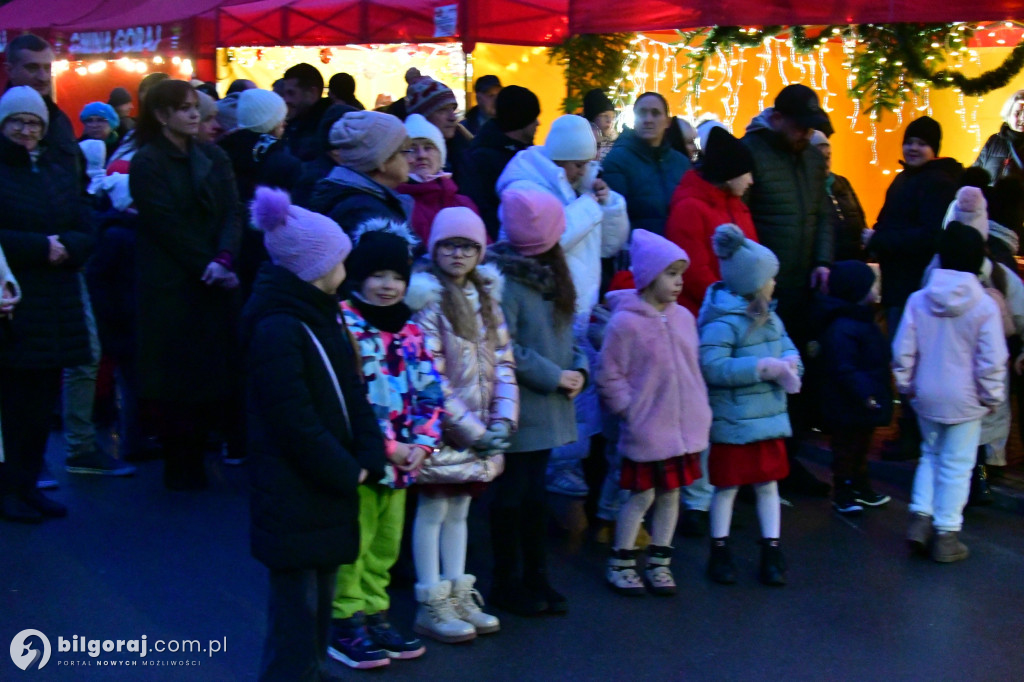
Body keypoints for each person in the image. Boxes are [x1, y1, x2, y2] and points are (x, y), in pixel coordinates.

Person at [242, 186, 386, 682]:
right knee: (296, 613)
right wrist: (348, 469)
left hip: (321, 488)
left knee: (317, 603)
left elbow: (352, 389)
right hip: (296, 492)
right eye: (339, 257)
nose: (347, 265)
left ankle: (313, 671)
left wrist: (369, 451)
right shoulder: (280, 327)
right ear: (315, 267)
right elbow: (294, 422)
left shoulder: (320, 314)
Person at [496, 113, 629, 497]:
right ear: (562, 161)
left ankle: (566, 470)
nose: (585, 170)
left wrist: (611, 205)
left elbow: (608, 245)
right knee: (552, 392)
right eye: (579, 164)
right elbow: (551, 237)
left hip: (578, 304)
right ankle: (553, 475)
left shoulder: (578, 189)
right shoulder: (524, 185)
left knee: (579, 394)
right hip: (542, 307)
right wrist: (589, 204)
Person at [330, 220, 444, 669]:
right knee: (354, 540)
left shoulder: (412, 330)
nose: (388, 286)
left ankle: (375, 610)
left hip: (403, 463)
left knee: (385, 543)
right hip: (367, 459)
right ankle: (345, 617)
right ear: (359, 276)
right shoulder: (346, 326)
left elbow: (431, 389)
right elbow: (344, 398)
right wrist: (387, 447)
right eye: (378, 275)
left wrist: (423, 442)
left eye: (397, 277)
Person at [405, 207, 515, 642]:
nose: (458, 254)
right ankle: (431, 599)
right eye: (450, 245)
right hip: (444, 433)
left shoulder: (487, 300)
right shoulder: (427, 301)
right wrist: (473, 430)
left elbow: (504, 364)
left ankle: (458, 590)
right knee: (433, 510)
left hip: (482, 433)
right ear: (435, 248)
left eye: (468, 246)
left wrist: (503, 420)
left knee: (461, 511)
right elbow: (430, 376)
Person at [129, 80, 243, 490]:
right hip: (171, 285)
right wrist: (207, 262)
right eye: (185, 108)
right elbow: (165, 225)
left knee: (212, 373)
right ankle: (180, 464)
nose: (195, 115)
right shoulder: (147, 162)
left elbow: (233, 211)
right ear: (162, 116)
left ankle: (202, 453)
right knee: (176, 379)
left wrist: (225, 256)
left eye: (196, 107)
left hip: (215, 278)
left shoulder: (214, 156)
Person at [486, 188, 587, 615]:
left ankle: (536, 576)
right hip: (519, 405)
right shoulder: (504, 280)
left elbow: (567, 332)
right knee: (512, 496)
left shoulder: (551, 271)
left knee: (534, 496)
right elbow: (502, 344)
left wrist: (580, 367)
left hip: (549, 398)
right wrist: (555, 376)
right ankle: (507, 582)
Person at [598, 230, 711, 596]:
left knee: (671, 494)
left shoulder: (684, 319)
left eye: (680, 274)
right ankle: (622, 559)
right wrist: (629, 411)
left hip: (684, 425)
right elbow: (610, 374)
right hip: (648, 427)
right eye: (671, 274)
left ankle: (661, 561)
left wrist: (699, 406)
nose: (679, 282)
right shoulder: (625, 323)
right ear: (648, 276)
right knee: (640, 495)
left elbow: (693, 367)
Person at [0, 86, 95, 522]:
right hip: (14, 301)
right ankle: (9, 491)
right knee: (13, 406)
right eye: (16, 121)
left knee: (40, 405)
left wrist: (68, 247)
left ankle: (28, 486)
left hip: (56, 301)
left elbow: (83, 223)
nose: (25, 130)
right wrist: (43, 247)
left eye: (33, 122)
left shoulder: (58, 168)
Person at [895, 222, 1007, 563]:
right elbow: (991, 360)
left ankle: (919, 519)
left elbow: (903, 351)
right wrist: (992, 397)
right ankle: (946, 534)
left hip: (926, 395)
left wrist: (906, 386)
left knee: (930, 456)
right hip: (967, 400)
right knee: (958, 465)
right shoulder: (985, 306)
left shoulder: (918, 300)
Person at [742, 83, 833, 496]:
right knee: (760, 379)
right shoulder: (753, 152)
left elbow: (823, 215)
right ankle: (754, 467)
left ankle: (787, 460)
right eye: (799, 128)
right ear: (777, 120)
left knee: (796, 377)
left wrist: (823, 262)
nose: (804, 136)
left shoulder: (812, 159)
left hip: (801, 287)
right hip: (762, 292)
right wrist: (751, 281)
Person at [699, 224, 802, 586]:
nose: (775, 283)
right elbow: (712, 366)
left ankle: (771, 548)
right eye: (770, 278)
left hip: (768, 421)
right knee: (726, 487)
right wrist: (760, 369)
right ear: (754, 283)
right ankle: (720, 548)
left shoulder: (772, 318)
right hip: (735, 421)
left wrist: (790, 365)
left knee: (768, 485)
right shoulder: (723, 323)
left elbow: (788, 348)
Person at [867, 116, 962, 461]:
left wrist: (880, 239)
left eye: (922, 143)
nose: (913, 148)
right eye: (910, 141)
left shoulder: (936, 183)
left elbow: (928, 237)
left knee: (911, 359)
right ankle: (910, 431)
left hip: (915, 285)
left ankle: (913, 433)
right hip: (900, 284)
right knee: (906, 359)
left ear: (934, 148)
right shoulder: (905, 179)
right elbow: (888, 220)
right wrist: (876, 236)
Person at [816, 261, 893, 514]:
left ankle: (860, 486)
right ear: (858, 291)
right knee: (846, 448)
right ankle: (844, 490)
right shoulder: (845, 327)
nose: (877, 289)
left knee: (860, 445)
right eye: (873, 285)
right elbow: (844, 368)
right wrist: (866, 394)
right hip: (849, 401)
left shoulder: (862, 321)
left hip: (861, 400)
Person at [219, 88, 302, 299]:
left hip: (228, 249)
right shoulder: (282, 161)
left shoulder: (221, 152)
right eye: (280, 118)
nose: (284, 123)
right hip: (269, 254)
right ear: (270, 122)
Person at [666, 126, 757, 317]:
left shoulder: (738, 206)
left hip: (739, 310)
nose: (751, 181)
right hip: (706, 314)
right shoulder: (689, 208)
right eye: (747, 173)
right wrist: (730, 303)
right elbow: (694, 272)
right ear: (730, 173)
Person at [310, 111, 413, 235]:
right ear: (381, 161)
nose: (411, 159)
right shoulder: (367, 215)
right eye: (403, 151)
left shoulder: (359, 200)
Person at [602, 92, 689, 237]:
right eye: (642, 113)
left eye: (655, 113)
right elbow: (614, 218)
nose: (648, 119)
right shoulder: (617, 161)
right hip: (639, 252)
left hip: (679, 251)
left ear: (667, 121)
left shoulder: (681, 163)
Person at [462, 85, 541, 239]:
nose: (538, 123)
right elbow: (481, 208)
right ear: (521, 120)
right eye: (533, 118)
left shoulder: (528, 152)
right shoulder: (482, 158)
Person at [396, 114, 477, 247]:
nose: (422, 155)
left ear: (441, 156)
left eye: (428, 148)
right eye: (411, 149)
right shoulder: (396, 204)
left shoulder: (463, 203)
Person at [812, 130, 868, 261]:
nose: (824, 164)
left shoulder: (842, 182)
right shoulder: (806, 187)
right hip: (828, 260)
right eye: (818, 158)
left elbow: (859, 215)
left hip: (855, 256)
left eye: (827, 157)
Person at [404, 75, 471, 183]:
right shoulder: (404, 161)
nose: (452, 117)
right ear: (421, 117)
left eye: (453, 109)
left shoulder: (466, 152)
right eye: (442, 110)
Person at [281, 63, 332, 162]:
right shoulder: (294, 123)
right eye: (284, 94)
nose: (286, 100)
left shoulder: (326, 130)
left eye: (291, 93)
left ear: (313, 93)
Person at [973, 89, 1024, 183]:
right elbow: (975, 175)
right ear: (1008, 114)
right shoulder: (994, 141)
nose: (1022, 118)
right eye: (1017, 113)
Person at [582, 89, 617, 162]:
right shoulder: (581, 143)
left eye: (612, 116)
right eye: (604, 116)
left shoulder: (617, 145)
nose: (609, 121)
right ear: (592, 119)